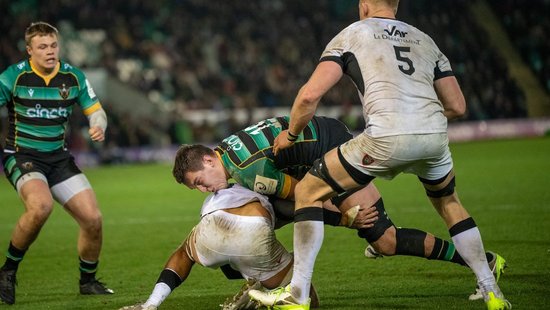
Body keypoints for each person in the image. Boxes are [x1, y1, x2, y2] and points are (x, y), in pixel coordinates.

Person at [248, 1, 511, 309]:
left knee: (308, 189)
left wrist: (290, 135)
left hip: (385, 137)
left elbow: (309, 95)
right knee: (449, 202)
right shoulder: (425, 39)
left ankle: (297, 294)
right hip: (434, 137)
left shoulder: (352, 34)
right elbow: (457, 106)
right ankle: (491, 290)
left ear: (364, 6)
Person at [172, 116, 506, 302]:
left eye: (200, 181)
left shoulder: (246, 170)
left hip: (332, 151)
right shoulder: (228, 152)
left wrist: (344, 218)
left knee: (385, 240)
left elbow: (304, 196)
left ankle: (482, 261)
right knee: (265, 217)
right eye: (196, 188)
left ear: (207, 159)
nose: (204, 189)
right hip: (318, 145)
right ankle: (256, 277)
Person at [0, 21, 113, 305]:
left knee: (93, 219)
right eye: (42, 47)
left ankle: (87, 282)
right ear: (30, 51)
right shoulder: (13, 77)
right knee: (40, 207)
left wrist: (98, 125)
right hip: (22, 155)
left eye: (53, 45)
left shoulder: (73, 77)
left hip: (59, 158)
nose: (50, 51)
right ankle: (7, 272)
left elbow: (96, 111)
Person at [118, 184, 320, 310]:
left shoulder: (220, 189)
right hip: (253, 231)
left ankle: (151, 304)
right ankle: (258, 291)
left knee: (185, 252)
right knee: (307, 296)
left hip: (213, 226)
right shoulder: (269, 182)